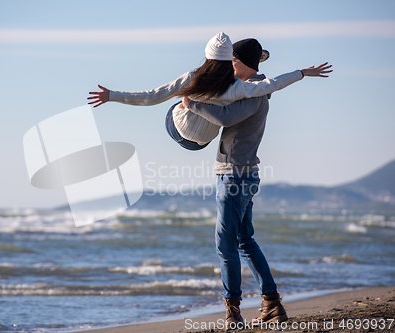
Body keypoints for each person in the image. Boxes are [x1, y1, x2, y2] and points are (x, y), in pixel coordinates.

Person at [181, 39, 332, 326]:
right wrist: (300, 72)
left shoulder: (253, 96)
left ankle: (233, 311)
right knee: (244, 241)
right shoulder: (255, 89)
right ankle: (272, 303)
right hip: (244, 175)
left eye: (231, 62)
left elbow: (225, 116)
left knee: (226, 245)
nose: (227, 67)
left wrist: (193, 103)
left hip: (235, 177)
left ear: (240, 62)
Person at [88, 32, 331, 151]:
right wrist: (301, 73)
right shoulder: (236, 88)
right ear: (230, 60)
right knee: (206, 108)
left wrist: (112, 95)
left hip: (179, 132)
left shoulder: (191, 78)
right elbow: (271, 85)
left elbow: (151, 96)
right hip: (202, 142)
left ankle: (183, 108)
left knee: (174, 104)